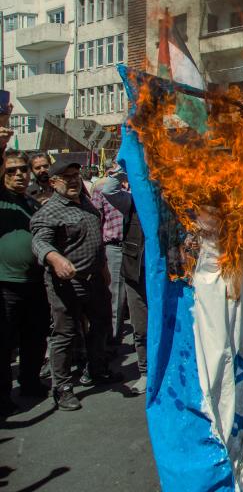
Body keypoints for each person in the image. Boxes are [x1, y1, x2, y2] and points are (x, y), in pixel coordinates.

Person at [30, 160, 121, 411]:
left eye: (75, 175)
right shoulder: (49, 211)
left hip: (95, 281)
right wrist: (55, 258)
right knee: (65, 335)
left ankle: (97, 369)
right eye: (65, 176)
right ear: (53, 182)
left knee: (101, 325)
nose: (72, 180)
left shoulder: (87, 204)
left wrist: (103, 269)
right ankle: (62, 387)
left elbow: (97, 242)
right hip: (66, 284)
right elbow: (39, 242)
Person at [0, 150, 49, 415]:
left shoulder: (32, 204)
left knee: (35, 336)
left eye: (22, 169)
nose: (19, 174)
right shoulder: (2, 201)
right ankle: (2, 395)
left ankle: (30, 382)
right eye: (11, 170)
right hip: (5, 283)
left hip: (34, 282)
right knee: (4, 343)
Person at [99, 166, 149, 394]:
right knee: (141, 327)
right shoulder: (131, 202)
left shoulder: (170, 204)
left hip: (167, 279)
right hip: (136, 273)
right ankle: (145, 372)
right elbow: (108, 189)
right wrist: (124, 168)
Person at [91, 165, 127, 344]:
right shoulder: (101, 190)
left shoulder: (137, 188)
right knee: (116, 298)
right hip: (115, 248)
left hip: (139, 249)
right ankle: (112, 343)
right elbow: (96, 221)